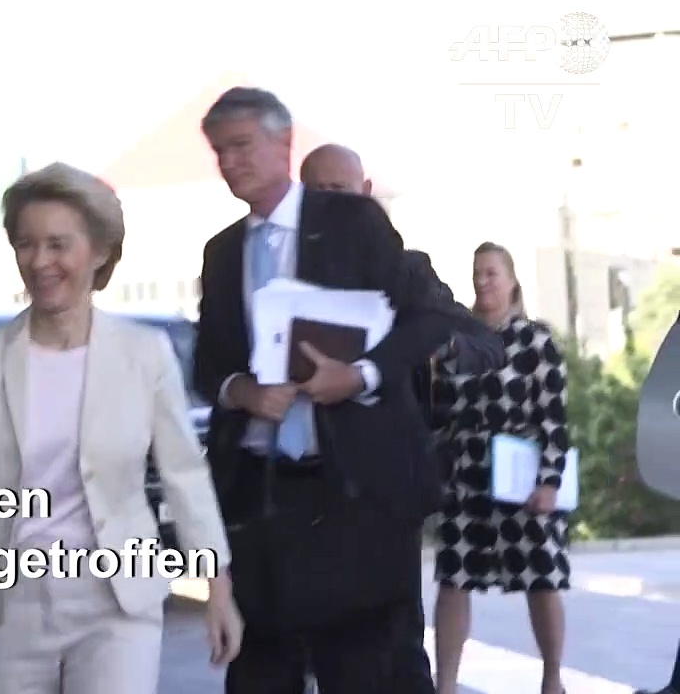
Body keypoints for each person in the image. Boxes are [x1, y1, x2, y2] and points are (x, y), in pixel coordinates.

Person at [0, 162, 242, 694]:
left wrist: (217, 586)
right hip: (7, 606)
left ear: (99, 252)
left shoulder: (144, 354)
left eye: (58, 245)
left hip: (118, 602)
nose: (40, 261)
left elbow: (184, 475)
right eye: (26, 245)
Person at [193, 87, 460, 693]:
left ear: (283, 142)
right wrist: (242, 392)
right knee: (260, 674)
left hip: (354, 493)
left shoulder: (351, 223)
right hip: (261, 496)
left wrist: (359, 375)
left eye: (241, 145)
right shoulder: (223, 252)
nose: (230, 161)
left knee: (365, 672)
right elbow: (208, 367)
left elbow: (427, 319)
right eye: (219, 151)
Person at [299, 143, 506, 694]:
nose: (330, 204)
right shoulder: (278, 269)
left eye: (340, 191)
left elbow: (483, 345)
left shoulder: (405, 270)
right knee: (321, 656)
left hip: (385, 492)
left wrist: (432, 347)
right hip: (303, 492)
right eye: (318, 192)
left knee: (397, 651)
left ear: (366, 194)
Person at [432, 241, 572, 694]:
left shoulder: (536, 341)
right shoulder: (460, 341)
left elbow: (554, 417)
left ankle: (552, 678)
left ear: (512, 280)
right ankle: (445, 684)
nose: (482, 281)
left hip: (522, 475)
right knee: (454, 579)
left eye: (491, 272)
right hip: (466, 474)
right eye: (477, 272)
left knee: (540, 577)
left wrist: (549, 481)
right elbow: (439, 412)